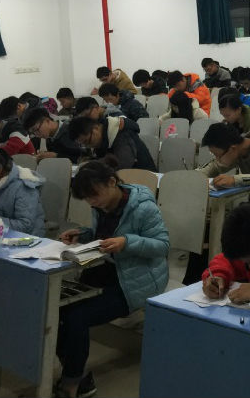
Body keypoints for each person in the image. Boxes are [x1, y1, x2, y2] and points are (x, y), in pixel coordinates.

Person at [55, 159, 169, 398]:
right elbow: (104, 237)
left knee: (76, 317)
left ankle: (71, 383)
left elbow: (162, 246)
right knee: (56, 309)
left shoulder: (143, 207)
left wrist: (127, 242)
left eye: (94, 196)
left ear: (112, 182)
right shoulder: (102, 205)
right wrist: (82, 235)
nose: (92, 202)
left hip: (136, 280)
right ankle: (79, 377)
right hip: (106, 270)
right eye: (87, 199)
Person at [69, 115, 157, 171]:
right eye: (84, 145)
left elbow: (123, 165)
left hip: (143, 181)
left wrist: (92, 165)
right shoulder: (103, 139)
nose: (89, 146)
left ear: (95, 128)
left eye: (88, 141)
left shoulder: (122, 134)